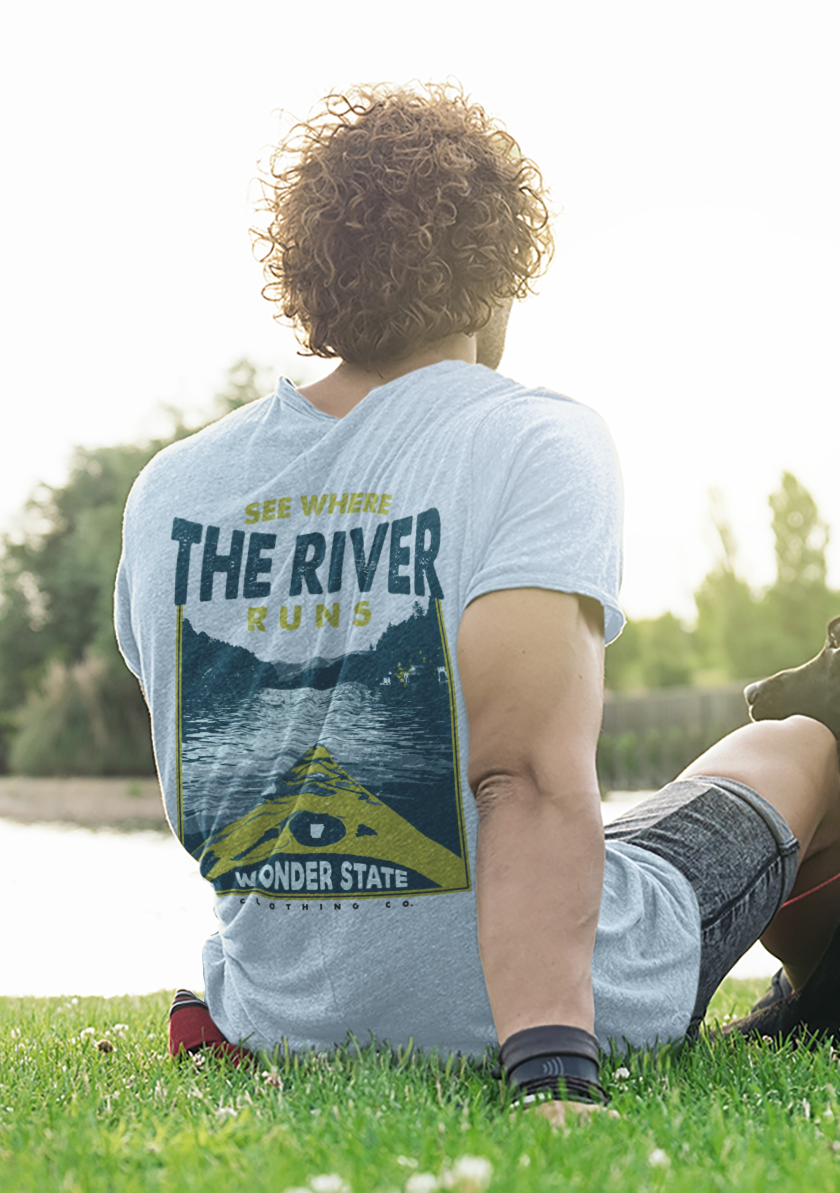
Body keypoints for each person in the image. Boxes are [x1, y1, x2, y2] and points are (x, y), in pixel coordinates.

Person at [115, 82, 840, 1123]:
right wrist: (551, 1065)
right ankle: (810, 1011)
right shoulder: (532, 437)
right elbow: (527, 773)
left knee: (623, 822)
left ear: (311, 275)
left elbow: (233, 774)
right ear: (499, 268)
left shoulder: (171, 490)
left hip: (282, 1017)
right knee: (805, 738)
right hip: (549, 1006)